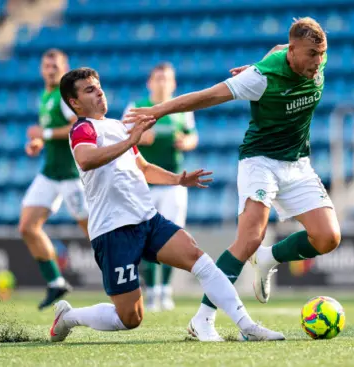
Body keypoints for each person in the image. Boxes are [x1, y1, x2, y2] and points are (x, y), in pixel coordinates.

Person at [124, 17, 341, 341]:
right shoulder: (261, 78)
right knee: (250, 237)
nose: (318, 62)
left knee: (328, 238)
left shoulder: (306, 58)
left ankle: (270, 257)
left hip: (297, 163)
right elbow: (206, 97)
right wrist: (160, 110)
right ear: (295, 51)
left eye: (321, 54)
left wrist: (263, 60)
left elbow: (280, 48)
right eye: (312, 54)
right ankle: (203, 320)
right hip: (261, 162)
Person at [49, 67, 284, 343]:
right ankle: (69, 317)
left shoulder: (115, 126)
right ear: (74, 102)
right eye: (89, 89)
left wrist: (177, 179)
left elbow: (144, 168)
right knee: (130, 319)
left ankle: (247, 325)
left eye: (98, 86)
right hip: (113, 230)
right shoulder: (82, 129)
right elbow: (87, 159)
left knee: (199, 258)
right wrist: (131, 140)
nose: (99, 91)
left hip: (147, 219)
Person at [122, 62, 198, 312]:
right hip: (143, 182)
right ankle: (151, 290)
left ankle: (165, 290)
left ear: (173, 84)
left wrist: (185, 142)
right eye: (158, 78)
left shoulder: (182, 108)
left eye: (167, 78)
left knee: (172, 236)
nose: (162, 82)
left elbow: (192, 136)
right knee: (144, 237)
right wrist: (139, 138)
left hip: (174, 181)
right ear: (150, 82)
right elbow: (121, 136)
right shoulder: (137, 107)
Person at [19, 49, 90, 310]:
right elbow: (49, 133)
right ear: (41, 69)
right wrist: (39, 142)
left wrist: (45, 133)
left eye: (55, 65)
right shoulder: (45, 95)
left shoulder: (63, 95)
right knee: (27, 226)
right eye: (46, 65)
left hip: (71, 174)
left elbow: (79, 125)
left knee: (93, 232)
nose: (50, 69)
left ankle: (121, 274)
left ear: (64, 68)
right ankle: (56, 282)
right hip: (50, 172)